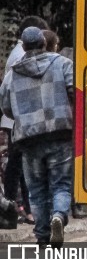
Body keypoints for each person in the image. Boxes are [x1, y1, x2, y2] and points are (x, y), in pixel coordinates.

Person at [0, 27, 74, 247]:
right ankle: (59, 216)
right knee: (61, 184)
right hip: (60, 133)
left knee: (37, 189)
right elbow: (74, 90)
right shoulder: (62, 64)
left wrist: (24, 116)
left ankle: (42, 236)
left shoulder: (13, 73)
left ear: (23, 47)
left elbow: (5, 106)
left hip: (29, 139)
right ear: (44, 42)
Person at [1, 16, 49, 226]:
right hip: (22, 120)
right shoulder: (23, 56)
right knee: (22, 166)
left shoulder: (17, 54)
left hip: (17, 119)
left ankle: (16, 207)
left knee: (18, 165)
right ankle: (20, 209)